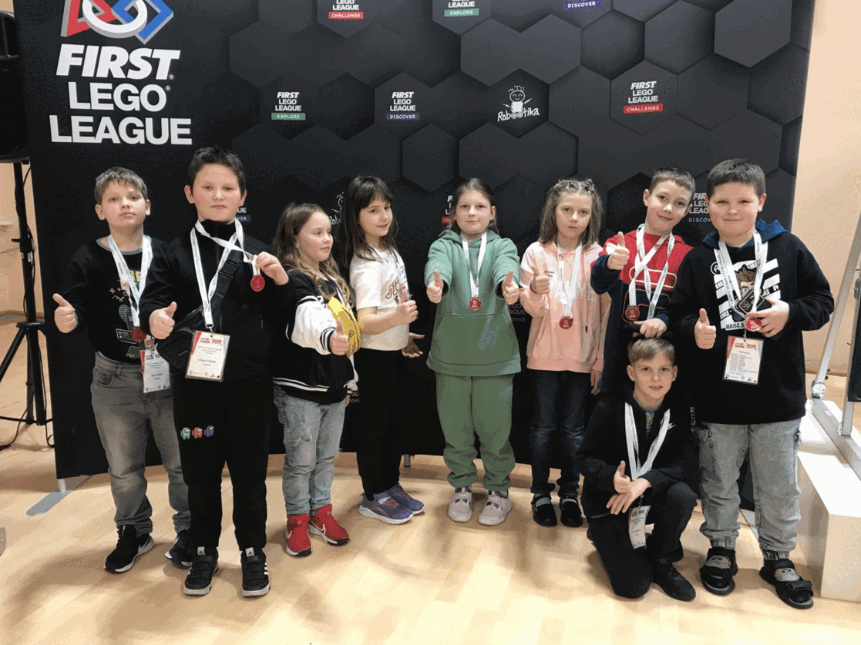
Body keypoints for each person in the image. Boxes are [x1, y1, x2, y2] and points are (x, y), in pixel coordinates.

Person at [669, 159, 833, 610]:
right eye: (722, 201)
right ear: (707, 204)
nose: (732, 210)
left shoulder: (788, 247)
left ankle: (778, 557)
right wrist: (693, 332)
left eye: (743, 201)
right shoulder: (698, 259)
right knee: (718, 479)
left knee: (778, 484)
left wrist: (790, 313)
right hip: (718, 398)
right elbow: (678, 315)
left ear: (761, 201)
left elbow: (822, 301)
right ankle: (721, 547)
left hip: (777, 396)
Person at [139, 146, 290, 598]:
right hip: (196, 386)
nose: (218, 195)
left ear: (242, 195)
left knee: (250, 473)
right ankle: (204, 549)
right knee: (199, 473)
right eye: (208, 187)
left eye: (227, 188)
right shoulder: (171, 253)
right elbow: (152, 301)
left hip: (249, 385)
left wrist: (280, 282)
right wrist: (154, 319)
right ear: (190, 193)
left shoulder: (259, 253)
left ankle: (252, 551)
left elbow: (282, 315)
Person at [53, 167, 191, 574]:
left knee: (181, 462)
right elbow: (76, 305)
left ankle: (189, 529)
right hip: (114, 378)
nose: (124, 204)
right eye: (113, 199)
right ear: (100, 210)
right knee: (123, 468)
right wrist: (68, 319)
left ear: (147, 206)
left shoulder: (166, 253)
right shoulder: (87, 258)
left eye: (132, 197)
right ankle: (134, 530)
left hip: (167, 372)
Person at [424, 178, 521, 526]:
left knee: (496, 432)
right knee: (456, 431)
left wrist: (510, 284)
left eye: (479, 206)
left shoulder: (503, 245)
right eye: (464, 207)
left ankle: (498, 491)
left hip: (495, 355)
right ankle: (462, 486)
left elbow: (505, 267)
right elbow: (438, 266)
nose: (472, 213)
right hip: (451, 356)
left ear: (492, 213)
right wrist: (435, 284)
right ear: (454, 214)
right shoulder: (444, 245)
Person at [576, 338, 698, 601]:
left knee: (683, 495)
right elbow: (584, 458)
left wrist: (645, 481)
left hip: (646, 498)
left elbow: (685, 463)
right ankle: (604, 535)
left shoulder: (678, 411)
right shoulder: (608, 406)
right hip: (611, 502)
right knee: (633, 587)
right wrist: (610, 477)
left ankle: (660, 559)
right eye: (646, 369)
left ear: (674, 373)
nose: (656, 378)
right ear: (632, 372)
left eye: (663, 369)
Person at [519, 178, 610, 528]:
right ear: (553, 211)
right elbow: (533, 310)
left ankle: (570, 492)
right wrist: (534, 290)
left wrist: (600, 359)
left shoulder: (599, 256)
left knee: (574, 431)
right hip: (545, 354)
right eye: (567, 210)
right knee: (543, 428)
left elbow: (606, 313)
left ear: (592, 216)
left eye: (582, 212)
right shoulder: (536, 252)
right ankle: (540, 493)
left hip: (583, 359)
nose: (574, 218)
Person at [271, 203, 358, 557]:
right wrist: (327, 339)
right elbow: (309, 320)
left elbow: (347, 334)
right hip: (301, 392)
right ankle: (296, 520)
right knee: (301, 462)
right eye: (317, 233)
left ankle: (320, 512)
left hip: (334, 390)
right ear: (295, 238)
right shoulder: (294, 280)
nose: (327, 239)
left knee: (325, 459)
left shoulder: (331, 280)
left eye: (328, 232)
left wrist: (350, 380)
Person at [342, 176, 424, 524]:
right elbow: (364, 323)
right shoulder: (365, 263)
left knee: (395, 424)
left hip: (394, 354)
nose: (383, 216)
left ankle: (390, 484)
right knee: (374, 427)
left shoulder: (388, 250)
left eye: (386, 207)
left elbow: (392, 307)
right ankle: (373, 493)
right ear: (356, 216)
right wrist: (398, 319)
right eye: (373, 210)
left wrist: (403, 334)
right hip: (373, 358)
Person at [590, 168, 695, 395]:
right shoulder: (619, 244)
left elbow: (686, 309)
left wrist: (664, 320)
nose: (668, 208)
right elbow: (598, 284)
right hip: (619, 360)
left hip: (664, 365)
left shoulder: (687, 255)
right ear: (647, 197)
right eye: (662, 198)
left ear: (687, 210)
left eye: (679, 203)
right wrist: (609, 264)